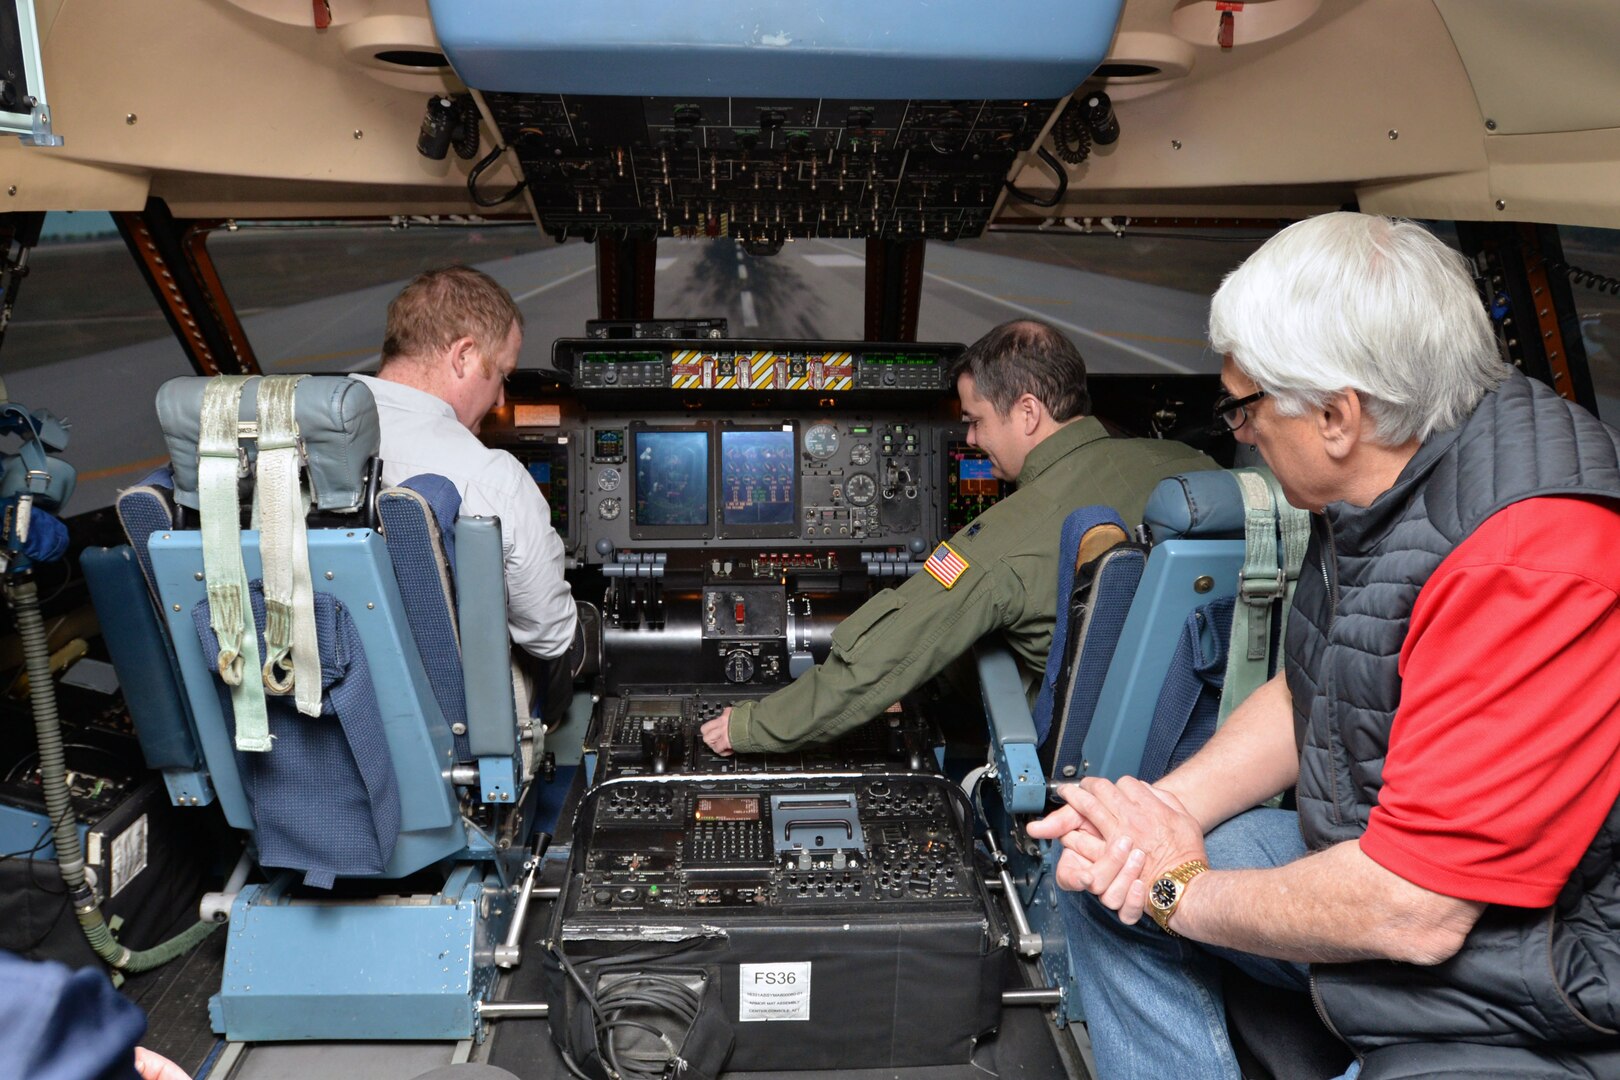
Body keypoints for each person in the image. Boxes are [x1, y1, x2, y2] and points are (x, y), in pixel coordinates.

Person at [1029, 213, 1620, 1078]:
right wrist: (1163, 818)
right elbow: (1315, 691)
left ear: (1340, 415)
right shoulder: (1386, 484)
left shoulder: (1528, 560)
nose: (1238, 432)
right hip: (1391, 865)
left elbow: (1414, 910)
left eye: (1246, 404)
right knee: (1096, 888)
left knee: (1142, 898)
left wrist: (1175, 891)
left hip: (1539, 962)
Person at [701, 319, 1216, 755]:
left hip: (1080, 747)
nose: (968, 438)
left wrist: (752, 726)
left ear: (1029, 412)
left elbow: (889, 650)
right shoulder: (1191, 466)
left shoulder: (1010, 533)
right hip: (1198, 725)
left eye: (975, 420)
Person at [352, 266, 577, 724]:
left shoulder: (280, 447)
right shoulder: (488, 476)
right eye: (502, 375)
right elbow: (549, 636)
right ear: (465, 356)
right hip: (445, 728)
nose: (499, 401)